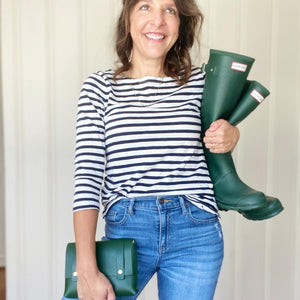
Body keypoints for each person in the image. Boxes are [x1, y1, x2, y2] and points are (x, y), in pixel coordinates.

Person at [72, 0, 240, 299]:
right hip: (128, 228)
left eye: (170, 10)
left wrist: (232, 133)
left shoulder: (201, 82)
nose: (158, 20)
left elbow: (223, 130)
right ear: (128, 20)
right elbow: (87, 178)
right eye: (146, 7)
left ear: (181, 24)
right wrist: (86, 268)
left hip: (196, 230)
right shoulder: (99, 88)